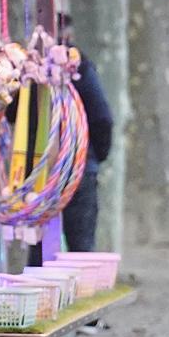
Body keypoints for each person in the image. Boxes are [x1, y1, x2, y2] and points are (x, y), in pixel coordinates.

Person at [60, 22, 115, 253]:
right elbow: (103, 117)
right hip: (79, 166)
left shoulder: (77, 67)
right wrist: (94, 156)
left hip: (55, 168)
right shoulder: (81, 67)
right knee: (80, 243)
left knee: (42, 247)